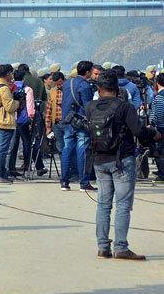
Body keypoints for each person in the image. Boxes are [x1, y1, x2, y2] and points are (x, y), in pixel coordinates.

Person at [86, 72, 161, 260]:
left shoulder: (90, 107)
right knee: (123, 205)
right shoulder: (124, 107)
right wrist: (154, 135)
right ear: (118, 89)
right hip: (122, 160)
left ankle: (103, 247)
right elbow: (139, 131)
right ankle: (121, 247)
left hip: (99, 160)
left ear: (99, 89)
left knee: (103, 204)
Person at [60, 61, 96, 192]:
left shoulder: (67, 83)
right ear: (87, 72)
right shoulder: (85, 85)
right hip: (80, 121)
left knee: (67, 149)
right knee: (82, 150)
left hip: (67, 120)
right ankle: (84, 182)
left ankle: (64, 182)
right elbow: (88, 106)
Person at [0, 64, 19, 183]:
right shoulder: (4, 89)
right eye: (11, 73)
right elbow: (9, 107)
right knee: (2, 150)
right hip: (4, 121)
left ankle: (2, 173)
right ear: (7, 74)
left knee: (1, 149)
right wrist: (17, 102)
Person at [152, 73, 164, 180]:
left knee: (159, 151)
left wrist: (152, 124)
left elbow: (158, 114)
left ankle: (162, 173)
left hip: (161, 127)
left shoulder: (160, 96)